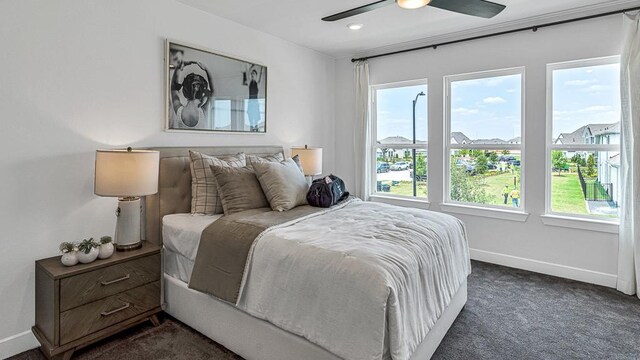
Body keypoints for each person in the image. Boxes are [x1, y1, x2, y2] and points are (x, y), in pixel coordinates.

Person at [170, 60, 214, 129]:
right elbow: (213, 92)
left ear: (185, 92)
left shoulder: (179, 111)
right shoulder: (203, 111)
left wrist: (179, 67)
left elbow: (173, 88)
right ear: (202, 93)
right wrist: (206, 69)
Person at [246, 65, 264, 131]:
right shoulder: (249, 83)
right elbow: (247, 73)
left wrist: (262, 69)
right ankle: (251, 130)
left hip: (255, 103)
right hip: (250, 103)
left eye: (254, 74)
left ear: (256, 75)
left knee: (256, 122)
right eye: (252, 74)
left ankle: (256, 130)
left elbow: (261, 77)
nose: (252, 75)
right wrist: (251, 67)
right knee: (251, 121)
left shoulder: (257, 84)